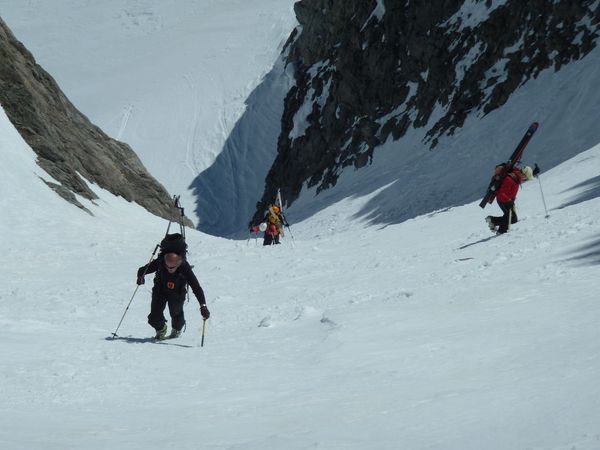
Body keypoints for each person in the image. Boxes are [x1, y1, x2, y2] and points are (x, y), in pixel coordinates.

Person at [137, 247, 210, 340]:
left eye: (172, 267)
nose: (169, 269)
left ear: (179, 263)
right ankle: (161, 329)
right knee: (154, 317)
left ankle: (177, 329)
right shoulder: (160, 262)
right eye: (167, 266)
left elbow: (196, 288)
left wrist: (203, 306)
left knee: (176, 314)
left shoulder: (184, 267)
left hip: (177, 293)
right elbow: (143, 269)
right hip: (160, 290)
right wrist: (140, 276)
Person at [486, 165, 534, 234]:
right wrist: (509, 200)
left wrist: (534, 173)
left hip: (508, 200)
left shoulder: (516, 177)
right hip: (503, 201)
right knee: (513, 219)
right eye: (526, 178)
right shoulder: (510, 179)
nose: (525, 180)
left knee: (508, 216)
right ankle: (492, 220)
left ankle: (501, 231)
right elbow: (501, 193)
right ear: (523, 174)